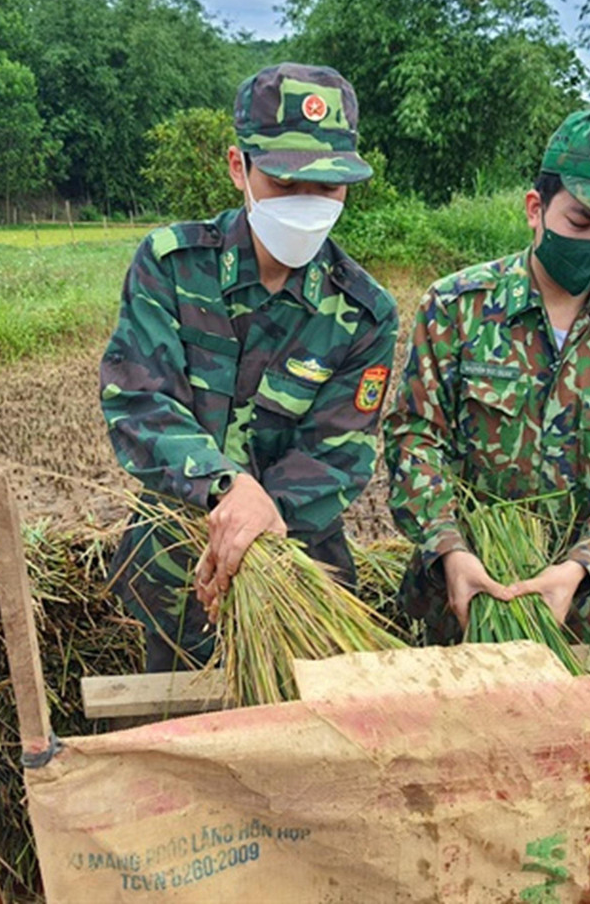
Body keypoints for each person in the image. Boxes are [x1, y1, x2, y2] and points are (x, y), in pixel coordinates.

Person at [100, 63, 398, 671]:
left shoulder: (364, 312)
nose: (306, 205)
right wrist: (227, 487)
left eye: (328, 188)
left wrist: (264, 516)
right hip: (180, 571)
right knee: (176, 718)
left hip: (299, 575)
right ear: (239, 167)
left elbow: (338, 453)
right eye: (285, 183)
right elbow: (141, 403)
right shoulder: (172, 266)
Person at [384, 105, 590, 653]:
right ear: (536, 208)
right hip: (461, 605)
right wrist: (449, 547)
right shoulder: (458, 308)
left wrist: (584, 563)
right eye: (580, 223)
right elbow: (415, 436)